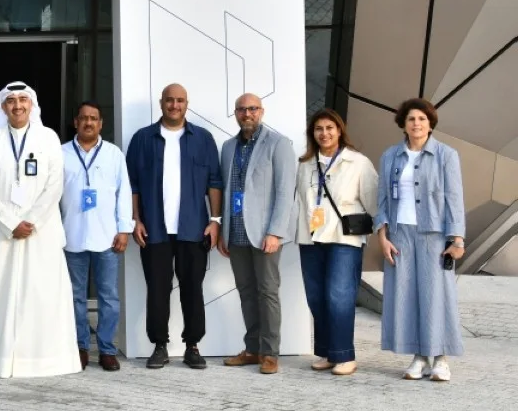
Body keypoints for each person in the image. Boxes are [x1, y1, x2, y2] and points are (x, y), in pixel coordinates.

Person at [0, 82, 80, 378]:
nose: (18, 105)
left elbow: (54, 184)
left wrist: (30, 221)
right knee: (6, 295)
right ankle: (3, 358)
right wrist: (11, 223)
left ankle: (47, 360)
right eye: (11, 101)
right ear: (3, 107)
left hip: (41, 231)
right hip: (3, 233)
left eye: (23, 100)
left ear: (32, 105)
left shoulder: (48, 138)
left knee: (43, 294)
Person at [125, 84, 221, 369]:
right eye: (170, 100)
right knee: (157, 289)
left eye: (179, 100)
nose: (174, 105)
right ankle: (159, 345)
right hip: (154, 229)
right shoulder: (143, 139)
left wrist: (215, 222)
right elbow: (132, 185)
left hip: (194, 229)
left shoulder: (203, 139)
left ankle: (193, 346)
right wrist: (136, 220)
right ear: (161, 103)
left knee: (193, 288)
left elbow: (214, 182)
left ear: (187, 104)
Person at [376, 98, 465, 382]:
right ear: (403, 123)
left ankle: (440, 358)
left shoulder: (446, 155)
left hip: (434, 236)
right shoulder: (390, 156)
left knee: (436, 296)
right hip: (400, 234)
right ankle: (418, 356)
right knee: (405, 296)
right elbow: (381, 201)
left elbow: (454, 199)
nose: (417, 124)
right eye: (411, 119)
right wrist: (383, 236)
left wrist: (458, 239)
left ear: (430, 124)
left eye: (422, 119)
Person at [294, 108, 378, 376]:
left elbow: (374, 202)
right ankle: (328, 352)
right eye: (319, 129)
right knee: (316, 296)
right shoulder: (305, 164)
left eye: (330, 128)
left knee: (339, 296)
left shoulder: (358, 162)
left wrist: (384, 232)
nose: (324, 133)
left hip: (344, 238)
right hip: (311, 237)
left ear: (340, 131)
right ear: (312, 134)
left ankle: (345, 355)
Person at [218, 93, 297, 375]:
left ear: (261, 111)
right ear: (235, 114)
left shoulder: (279, 144)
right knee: (247, 293)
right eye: (241, 109)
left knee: (267, 293)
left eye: (252, 109)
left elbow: (286, 192)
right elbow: (227, 191)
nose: (247, 114)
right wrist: (222, 231)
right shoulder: (228, 147)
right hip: (236, 232)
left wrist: (276, 231)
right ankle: (252, 349)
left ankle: (270, 353)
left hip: (265, 234)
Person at [61, 101, 133, 372]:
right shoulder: (61, 153)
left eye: (93, 118)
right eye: (83, 118)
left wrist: (124, 229)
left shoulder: (114, 154)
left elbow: (123, 193)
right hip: (72, 235)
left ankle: (106, 349)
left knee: (109, 297)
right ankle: (80, 347)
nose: (88, 122)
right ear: (75, 122)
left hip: (107, 236)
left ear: (101, 124)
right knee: (75, 297)